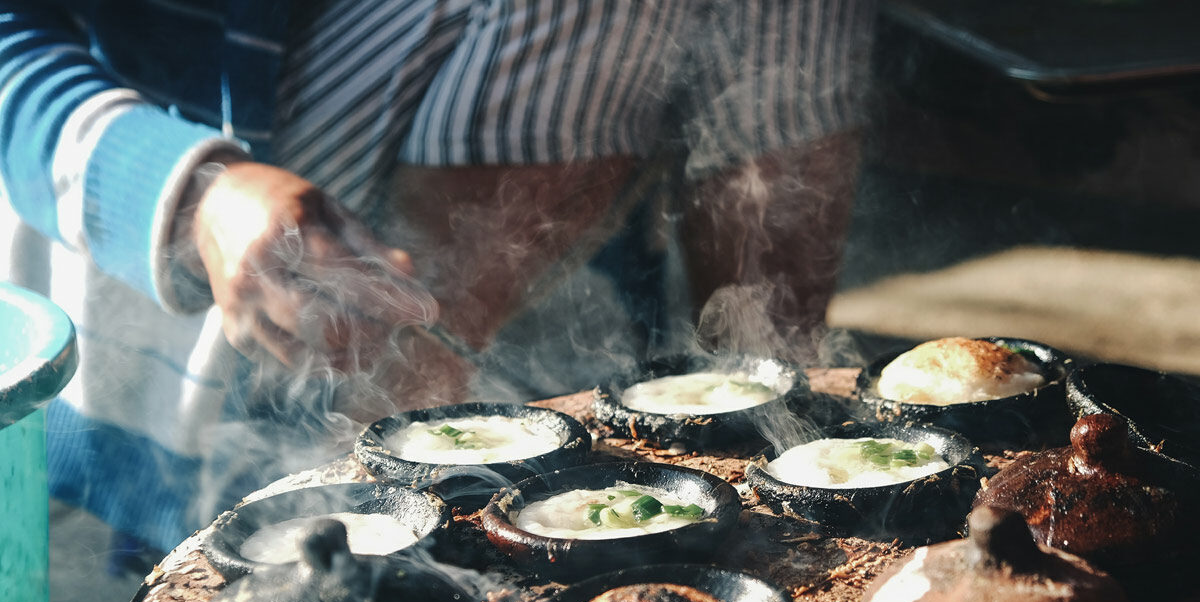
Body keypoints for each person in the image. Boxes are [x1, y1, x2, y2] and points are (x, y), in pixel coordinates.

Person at [0, 0, 877, 568]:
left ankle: (778, 446)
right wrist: (195, 195)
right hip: (209, 217)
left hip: (511, 199)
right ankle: (372, 510)